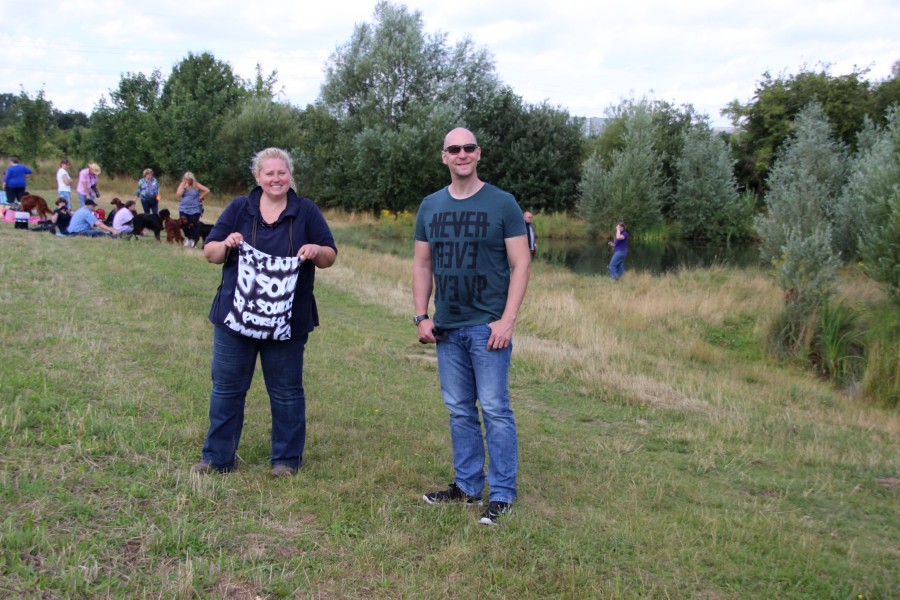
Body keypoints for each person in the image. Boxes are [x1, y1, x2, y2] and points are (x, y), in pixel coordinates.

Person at [192, 147, 337, 477]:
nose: (276, 178)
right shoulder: (239, 208)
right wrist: (226, 244)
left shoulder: (306, 211)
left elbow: (330, 256)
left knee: (286, 392)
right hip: (235, 318)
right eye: (269, 173)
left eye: (282, 172)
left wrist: (316, 250)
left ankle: (286, 461)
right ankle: (217, 458)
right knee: (227, 389)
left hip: (288, 321)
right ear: (257, 177)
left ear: (290, 176)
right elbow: (211, 253)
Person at [413, 127, 531, 526]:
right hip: (447, 328)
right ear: (444, 156)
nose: (461, 154)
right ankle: (466, 488)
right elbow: (422, 264)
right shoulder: (430, 205)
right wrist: (421, 315)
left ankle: (501, 494)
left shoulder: (503, 203)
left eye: (468, 148)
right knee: (459, 410)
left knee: (495, 409)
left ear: (478, 154)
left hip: (488, 328)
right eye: (454, 149)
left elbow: (521, 264)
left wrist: (507, 320)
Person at [177, 171, 209, 248]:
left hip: (195, 209)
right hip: (183, 208)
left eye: (189, 180)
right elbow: (178, 194)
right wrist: (184, 187)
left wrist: (200, 197)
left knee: (193, 225)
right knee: (184, 224)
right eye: (186, 179)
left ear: (192, 179)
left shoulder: (196, 185)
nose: (188, 181)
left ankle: (193, 240)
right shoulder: (182, 184)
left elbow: (207, 190)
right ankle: (188, 238)